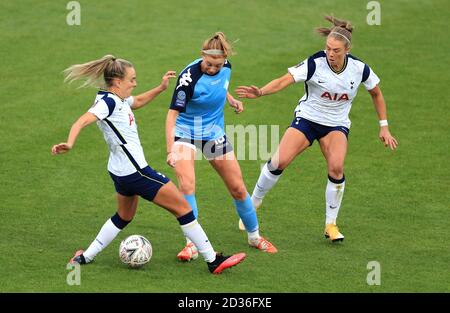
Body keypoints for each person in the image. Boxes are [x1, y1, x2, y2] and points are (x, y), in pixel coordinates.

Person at [51, 55, 246, 274]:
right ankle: (213, 260)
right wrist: (69, 142)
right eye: (131, 79)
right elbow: (82, 120)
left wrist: (161, 88)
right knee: (183, 208)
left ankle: (85, 257)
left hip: (119, 172)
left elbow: (139, 101)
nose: (134, 83)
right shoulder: (108, 103)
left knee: (123, 216)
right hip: (137, 173)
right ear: (117, 82)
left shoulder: (115, 98)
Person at [235, 16, 398, 242]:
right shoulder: (315, 63)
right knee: (278, 162)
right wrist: (261, 92)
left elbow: (376, 93)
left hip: (336, 125)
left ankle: (330, 224)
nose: (331, 54)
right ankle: (253, 203)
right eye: (328, 48)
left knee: (336, 168)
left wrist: (384, 127)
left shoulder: (360, 69)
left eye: (336, 50)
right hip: (308, 120)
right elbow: (285, 80)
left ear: (347, 50)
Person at [166, 32, 277, 261]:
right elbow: (171, 115)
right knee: (187, 185)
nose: (212, 69)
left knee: (237, 187)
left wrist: (230, 99)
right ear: (202, 56)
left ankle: (254, 236)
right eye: (208, 64)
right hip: (185, 132)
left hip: (213, 132)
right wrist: (170, 150)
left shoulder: (227, 67)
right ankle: (192, 245)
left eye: (217, 65)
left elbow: (218, 85)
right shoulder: (188, 78)